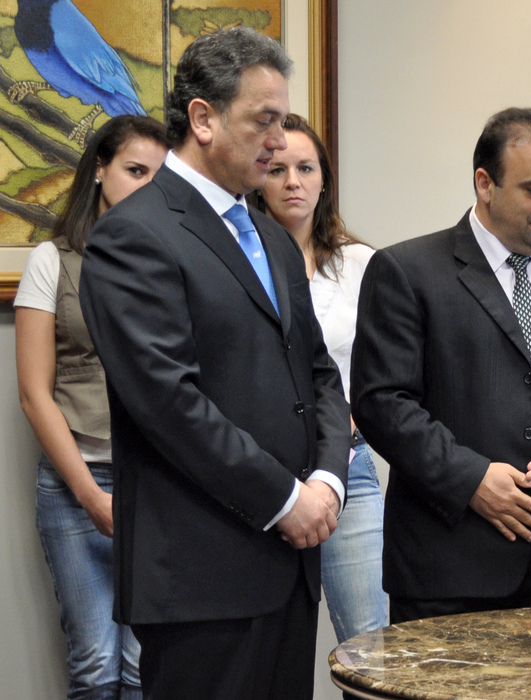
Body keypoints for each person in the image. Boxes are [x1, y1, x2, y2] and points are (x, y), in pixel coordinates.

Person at [78, 28, 350, 700]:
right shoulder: (132, 236)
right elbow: (169, 403)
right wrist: (285, 499)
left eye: (284, 121)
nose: (279, 142)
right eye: (264, 121)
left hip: (290, 567)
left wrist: (326, 480)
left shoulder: (273, 239)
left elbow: (317, 373)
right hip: (202, 579)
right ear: (203, 118)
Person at [351, 107, 531, 624]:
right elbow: (382, 404)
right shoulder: (407, 271)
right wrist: (472, 480)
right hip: (448, 569)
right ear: (485, 184)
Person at [15, 115, 169, 700]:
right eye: (134, 171)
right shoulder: (52, 261)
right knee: (97, 664)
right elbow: (35, 394)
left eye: (158, 177)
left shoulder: (170, 264)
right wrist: (88, 494)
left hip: (154, 484)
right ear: (99, 170)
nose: (146, 187)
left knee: (142, 666)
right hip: (75, 485)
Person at [253, 113, 387, 642]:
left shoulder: (362, 264)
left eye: (306, 168)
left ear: (324, 180)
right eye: (277, 169)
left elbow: (390, 372)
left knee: (370, 642)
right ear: (257, 178)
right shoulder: (236, 261)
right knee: (269, 641)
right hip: (265, 472)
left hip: (347, 464)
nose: (293, 182)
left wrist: (360, 422)